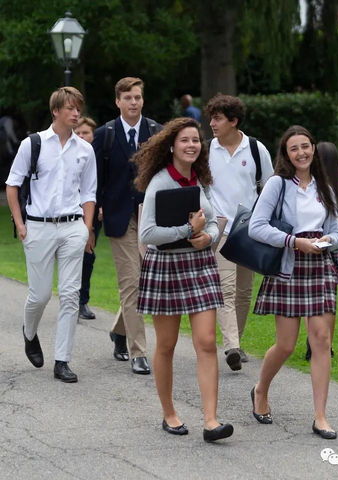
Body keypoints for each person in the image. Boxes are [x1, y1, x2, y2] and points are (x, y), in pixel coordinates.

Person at [134, 117, 234, 442]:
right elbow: (148, 233)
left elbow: (217, 220)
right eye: (185, 140)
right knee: (166, 345)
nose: (192, 145)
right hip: (165, 268)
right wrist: (188, 231)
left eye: (196, 140)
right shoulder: (159, 183)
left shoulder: (199, 181)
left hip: (200, 265)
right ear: (172, 146)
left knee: (206, 341)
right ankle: (169, 413)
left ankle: (211, 421)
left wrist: (209, 236)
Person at [248, 125, 338, 439]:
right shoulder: (278, 184)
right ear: (286, 154)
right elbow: (256, 227)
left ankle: (320, 416)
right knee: (286, 345)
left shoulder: (324, 186)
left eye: (306, 146)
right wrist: (292, 242)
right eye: (294, 148)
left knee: (321, 342)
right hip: (289, 264)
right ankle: (260, 389)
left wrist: (329, 239)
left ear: (314, 148)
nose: (301, 153)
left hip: (320, 266)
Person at [5, 87, 96, 383]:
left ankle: (62, 360)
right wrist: (20, 223)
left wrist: (86, 227)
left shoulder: (85, 150)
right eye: (70, 108)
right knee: (40, 294)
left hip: (72, 227)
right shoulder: (33, 144)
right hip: (38, 226)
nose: (75, 113)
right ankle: (29, 332)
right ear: (55, 111)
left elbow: (89, 192)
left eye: (78, 108)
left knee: (70, 294)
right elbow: (12, 185)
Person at [93, 77, 161, 374]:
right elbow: (93, 178)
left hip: (151, 216)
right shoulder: (104, 135)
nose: (134, 102)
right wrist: (95, 210)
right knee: (131, 282)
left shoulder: (157, 132)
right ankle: (139, 352)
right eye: (128, 98)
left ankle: (120, 331)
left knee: (145, 281)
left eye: (138, 97)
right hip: (119, 216)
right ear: (118, 101)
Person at [206, 93, 274, 371]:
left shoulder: (257, 149)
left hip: (248, 230)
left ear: (233, 121)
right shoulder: (206, 149)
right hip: (219, 229)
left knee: (244, 291)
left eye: (218, 118)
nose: (211, 123)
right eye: (211, 117)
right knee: (226, 288)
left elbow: (270, 188)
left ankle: (237, 342)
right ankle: (232, 345)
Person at [305, 142, 338, 361]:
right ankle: (327, 344)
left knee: (309, 295)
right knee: (329, 300)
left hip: (314, 245)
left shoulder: (312, 189)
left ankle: (312, 342)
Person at [74, 116, 100, 320]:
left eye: (86, 133)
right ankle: (71, 298)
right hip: (71, 212)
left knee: (87, 255)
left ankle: (82, 301)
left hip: (94, 212)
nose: (82, 136)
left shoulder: (99, 155)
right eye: (78, 132)